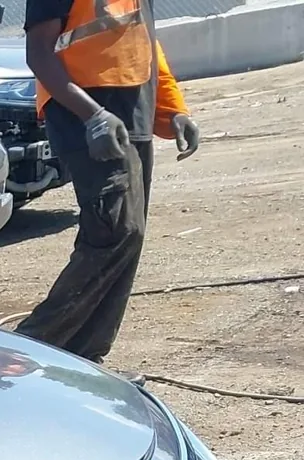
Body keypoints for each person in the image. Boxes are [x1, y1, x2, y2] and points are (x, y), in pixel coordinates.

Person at [16, 0, 200, 364]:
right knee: (116, 231)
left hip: (133, 111)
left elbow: (142, 36)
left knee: (130, 237)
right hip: (84, 116)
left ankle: (87, 359)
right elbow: (38, 53)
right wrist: (93, 116)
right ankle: (28, 346)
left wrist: (172, 108)